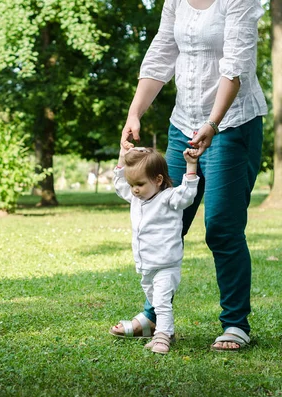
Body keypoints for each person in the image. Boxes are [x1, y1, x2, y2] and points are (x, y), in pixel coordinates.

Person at [111, 0, 268, 351]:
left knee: (222, 227)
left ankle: (235, 324)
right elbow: (162, 53)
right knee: (165, 220)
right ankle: (154, 316)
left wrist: (212, 123)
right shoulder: (175, 1)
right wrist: (135, 112)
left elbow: (236, 65)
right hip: (182, 123)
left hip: (231, 123)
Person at [111, 146, 199, 354]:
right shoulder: (136, 198)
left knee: (161, 303)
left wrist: (191, 165)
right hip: (146, 266)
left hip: (166, 265)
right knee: (155, 299)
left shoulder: (168, 198)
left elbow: (187, 194)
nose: (134, 189)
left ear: (158, 180)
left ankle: (163, 337)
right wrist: (122, 157)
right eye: (132, 185)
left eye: (140, 184)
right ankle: (164, 330)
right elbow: (119, 184)